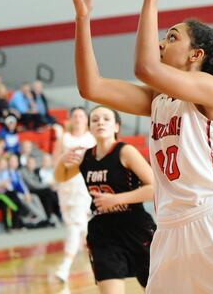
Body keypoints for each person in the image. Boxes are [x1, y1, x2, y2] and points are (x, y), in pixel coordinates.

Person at [58, 0, 213, 293]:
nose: (161, 42)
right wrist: (83, 19)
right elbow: (92, 86)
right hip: (169, 230)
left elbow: (145, 68)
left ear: (196, 55)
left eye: (172, 37)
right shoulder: (159, 100)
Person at [56, 106, 155, 293]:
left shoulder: (125, 151)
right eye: (95, 119)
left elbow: (154, 188)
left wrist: (116, 199)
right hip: (103, 231)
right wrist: (62, 161)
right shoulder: (86, 157)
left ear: (116, 127)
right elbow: (61, 177)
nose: (100, 122)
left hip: (134, 226)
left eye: (106, 119)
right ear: (89, 127)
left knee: (155, 287)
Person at [51, 106, 95, 284]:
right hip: (65, 184)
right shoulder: (64, 138)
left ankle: (65, 266)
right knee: (79, 226)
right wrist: (56, 178)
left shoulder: (91, 139)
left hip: (82, 186)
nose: (78, 118)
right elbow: (55, 159)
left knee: (75, 226)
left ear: (86, 120)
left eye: (81, 115)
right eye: (75, 115)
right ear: (70, 119)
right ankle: (97, 256)